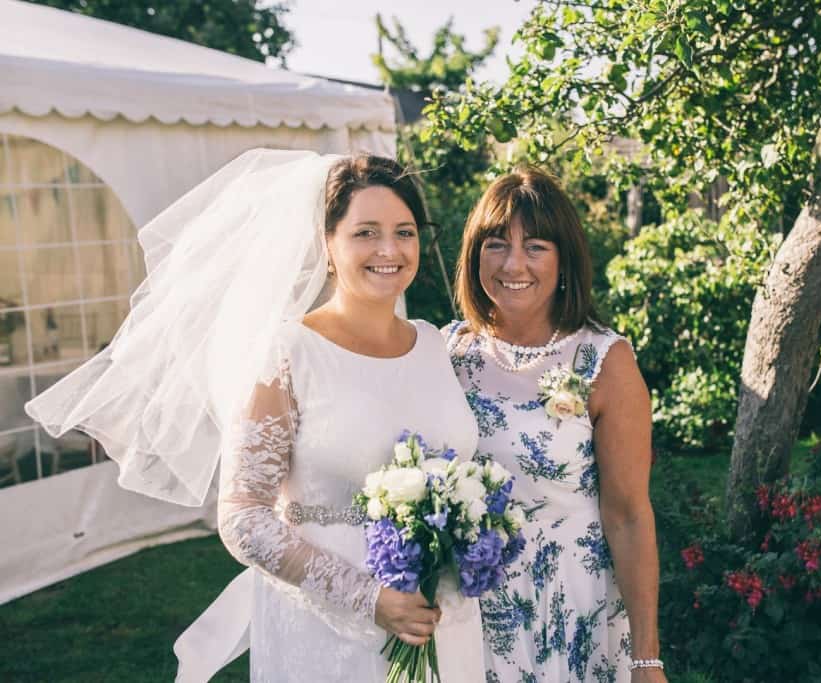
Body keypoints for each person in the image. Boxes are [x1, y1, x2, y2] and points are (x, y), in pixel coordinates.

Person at [26, 150, 484, 681]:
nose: (389, 249)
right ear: (326, 245)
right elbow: (243, 516)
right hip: (332, 630)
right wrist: (369, 599)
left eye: (404, 231)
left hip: (442, 619)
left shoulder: (433, 344)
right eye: (365, 232)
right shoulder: (287, 354)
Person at [444, 166, 667, 683]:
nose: (513, 263)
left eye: (536, 246)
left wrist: (647, 658)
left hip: (568, 609)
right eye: (496, 244)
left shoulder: (603, 360)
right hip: (465, 608)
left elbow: (630, 516)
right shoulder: (448, 351)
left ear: (564, 259)